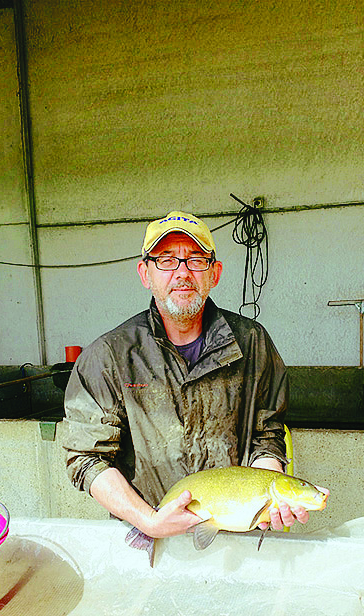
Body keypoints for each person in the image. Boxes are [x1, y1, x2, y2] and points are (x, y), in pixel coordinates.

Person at [63, 210, 308, 560]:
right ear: (145, 273)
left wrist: (269, 495)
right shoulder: (110, 356)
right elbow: (87, 457)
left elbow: (266, 436)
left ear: (214, 273)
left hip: (234, 543)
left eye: (196, 259)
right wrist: (149, 521)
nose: (182, 272)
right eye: (166, 260)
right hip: (150, 541)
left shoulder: (252, 343)